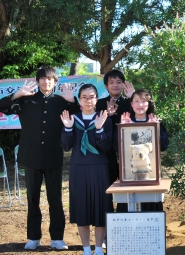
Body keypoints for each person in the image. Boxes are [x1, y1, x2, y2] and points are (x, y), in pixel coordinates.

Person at [0, 66, 80, 250]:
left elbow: (79, 115)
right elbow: (0, 106)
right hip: (31, 156)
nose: (46, 81)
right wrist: (17, 94)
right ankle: (33, 237)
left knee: (55, 199)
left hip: (53, 155)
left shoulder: (61, 101)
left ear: (55, 82)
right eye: (42, 78)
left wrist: (72, 101)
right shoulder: (26, 100)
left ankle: (57, 238)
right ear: (38, 80)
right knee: (32, 198)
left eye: (50, 79)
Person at [60, 84, 113, 255]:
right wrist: (68, 127)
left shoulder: (105, 118)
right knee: (81, 207)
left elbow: (106, 147)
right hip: (79, 168)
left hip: (99, 168)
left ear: (97, 99)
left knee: (100, 207)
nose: (88, 100)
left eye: (91, 97)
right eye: (84, 97)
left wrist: (98, 129)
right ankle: (85, 249)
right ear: (80, 99)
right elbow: (66, 146)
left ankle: (98, 248)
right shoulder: (72, 118)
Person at [113, 88, 169, 211]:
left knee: (151, 209)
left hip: (150, 174)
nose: (140, 105)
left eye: (144, 101)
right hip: (129, 174)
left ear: (149, 104)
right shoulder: (125, 121)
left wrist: (157, 130)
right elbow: (117, 148)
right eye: (136, 101)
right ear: (131, 104)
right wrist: (123, 129)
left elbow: (164, 146)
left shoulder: (156, 121)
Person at [95, 69, 134, 213]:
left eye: (119, 82)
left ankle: (124, 221)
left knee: (126, 192)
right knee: (106, 192)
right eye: (111, 82)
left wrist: (132, 98)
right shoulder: (99, 104)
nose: (115, 85)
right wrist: (108, 116)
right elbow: (98, 127)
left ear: (124, 85)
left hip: (128, 154)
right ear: (106, 86)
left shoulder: (131, 102)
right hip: (106, 154)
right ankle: (108, 227)